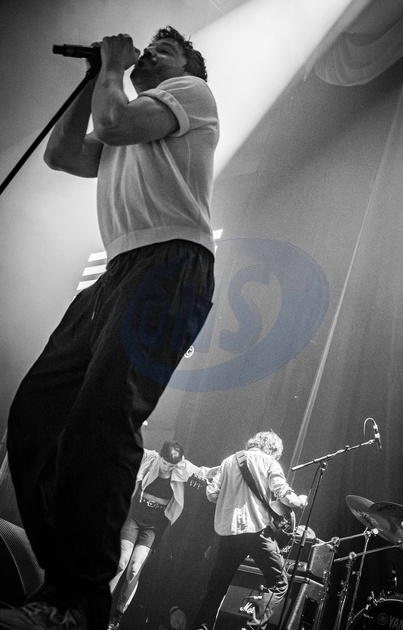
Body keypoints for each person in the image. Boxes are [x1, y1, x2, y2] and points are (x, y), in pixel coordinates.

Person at [1, 25, 219, 630]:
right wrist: (94, 78)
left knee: (102, 420)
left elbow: (116, 122)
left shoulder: (191, 94)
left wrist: (114, 70)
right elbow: (62, 154)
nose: (147, 53)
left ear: (187, 66)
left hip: (170, 260)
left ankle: (83, 602)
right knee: (35, 419)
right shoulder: (127, 110)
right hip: (119, 270)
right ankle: (62, 584)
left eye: (162, 50)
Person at [194, 431, 308, 630]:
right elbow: (283, 494)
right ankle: (252, 628)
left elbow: (211, 494)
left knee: (217, 586)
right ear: (273, 449)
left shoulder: (229, 461)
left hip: (229, 533)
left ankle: (200, 627)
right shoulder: (270, 463)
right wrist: (299, 501)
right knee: (279, 583)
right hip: (257, 532)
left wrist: (231, 496)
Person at [108, 442, 213, 630]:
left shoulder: (181, 468)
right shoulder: (150, 458)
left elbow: (205, 472)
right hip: (134, 517)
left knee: (135, 568)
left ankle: (118, 615)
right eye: (165, 463)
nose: (167, 468)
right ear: (160, 457)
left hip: (154, 525)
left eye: (171, 466)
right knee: (122, 563)